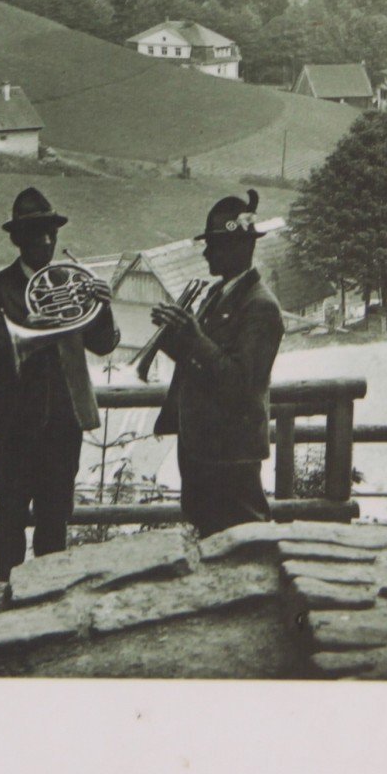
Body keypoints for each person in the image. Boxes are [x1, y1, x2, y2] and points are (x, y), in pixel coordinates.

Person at [0, 187, 119, 579]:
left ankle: (50, 602)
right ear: (17, 239)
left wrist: (103, 308)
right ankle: (7, 599)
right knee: (10, 522)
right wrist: (26, 333)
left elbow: (104, 345)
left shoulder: (72, 284)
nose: (47, 241)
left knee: (55, 523)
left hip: (61, 423)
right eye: (36, 233)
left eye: (51, 233)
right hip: (14, 425)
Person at [151, 189, 284, 537]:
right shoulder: (217, 293)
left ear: (242, 248)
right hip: (203, 449)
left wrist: (193, 337)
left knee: (243, 541)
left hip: (231, 455)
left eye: (217, 244)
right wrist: (171, 337)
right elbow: (201, 363)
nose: (208, 251)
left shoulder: (261, 306)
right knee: (207, 536)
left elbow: (242, 385)